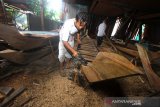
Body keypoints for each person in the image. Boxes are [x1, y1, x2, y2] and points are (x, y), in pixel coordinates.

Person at [58, 12, 88, 77]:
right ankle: (61, 68)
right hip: (63, 40)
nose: (81, 27)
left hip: (71, 39)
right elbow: (64, 41)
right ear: (78, 20)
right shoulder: (68, 24)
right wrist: (74, 52)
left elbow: (78, 31)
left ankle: (67, 64)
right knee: (61, 55)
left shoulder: (81, 22)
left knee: (69, 55)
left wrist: (78, 38)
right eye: (80, 25)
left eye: (83, 25)